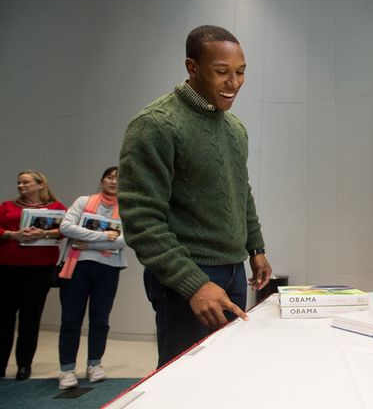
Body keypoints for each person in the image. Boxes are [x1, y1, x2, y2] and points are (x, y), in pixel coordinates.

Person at [118, 25, 272, 368]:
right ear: (192, 67)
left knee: (226, 370)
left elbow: (241, 192)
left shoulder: (235, 129)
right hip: (188, 276)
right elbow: (141, 220)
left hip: (234, 273)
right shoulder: (155, 125)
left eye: (241, 72)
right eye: (222, 72)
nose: (234, 83)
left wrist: (256, 249)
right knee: (184, 378)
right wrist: (193, 285)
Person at [57, 166, 126, 389]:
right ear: (102, 180)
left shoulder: (126, 208)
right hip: (78, 266)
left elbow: (125, 240)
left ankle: (94, 364)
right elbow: (67, 227)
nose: (114, 182)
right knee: (71, 319)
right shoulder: (83, 201)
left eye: (118, 178)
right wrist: (103, 236)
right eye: (110, 177)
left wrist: (89, 243)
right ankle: (67, 369)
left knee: (100, 319)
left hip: (108, 269)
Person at [0, 170, 66, 380]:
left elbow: (67, 230)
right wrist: (13, 234)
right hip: (7, 267)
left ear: (40, 185)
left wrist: (45, 233)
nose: (21, 186)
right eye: (19, 183)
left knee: (31, 317)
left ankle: (24, 365)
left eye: (26, 182)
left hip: (40, 269)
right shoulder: (7, 207)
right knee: (4, 318)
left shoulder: (56, 208)